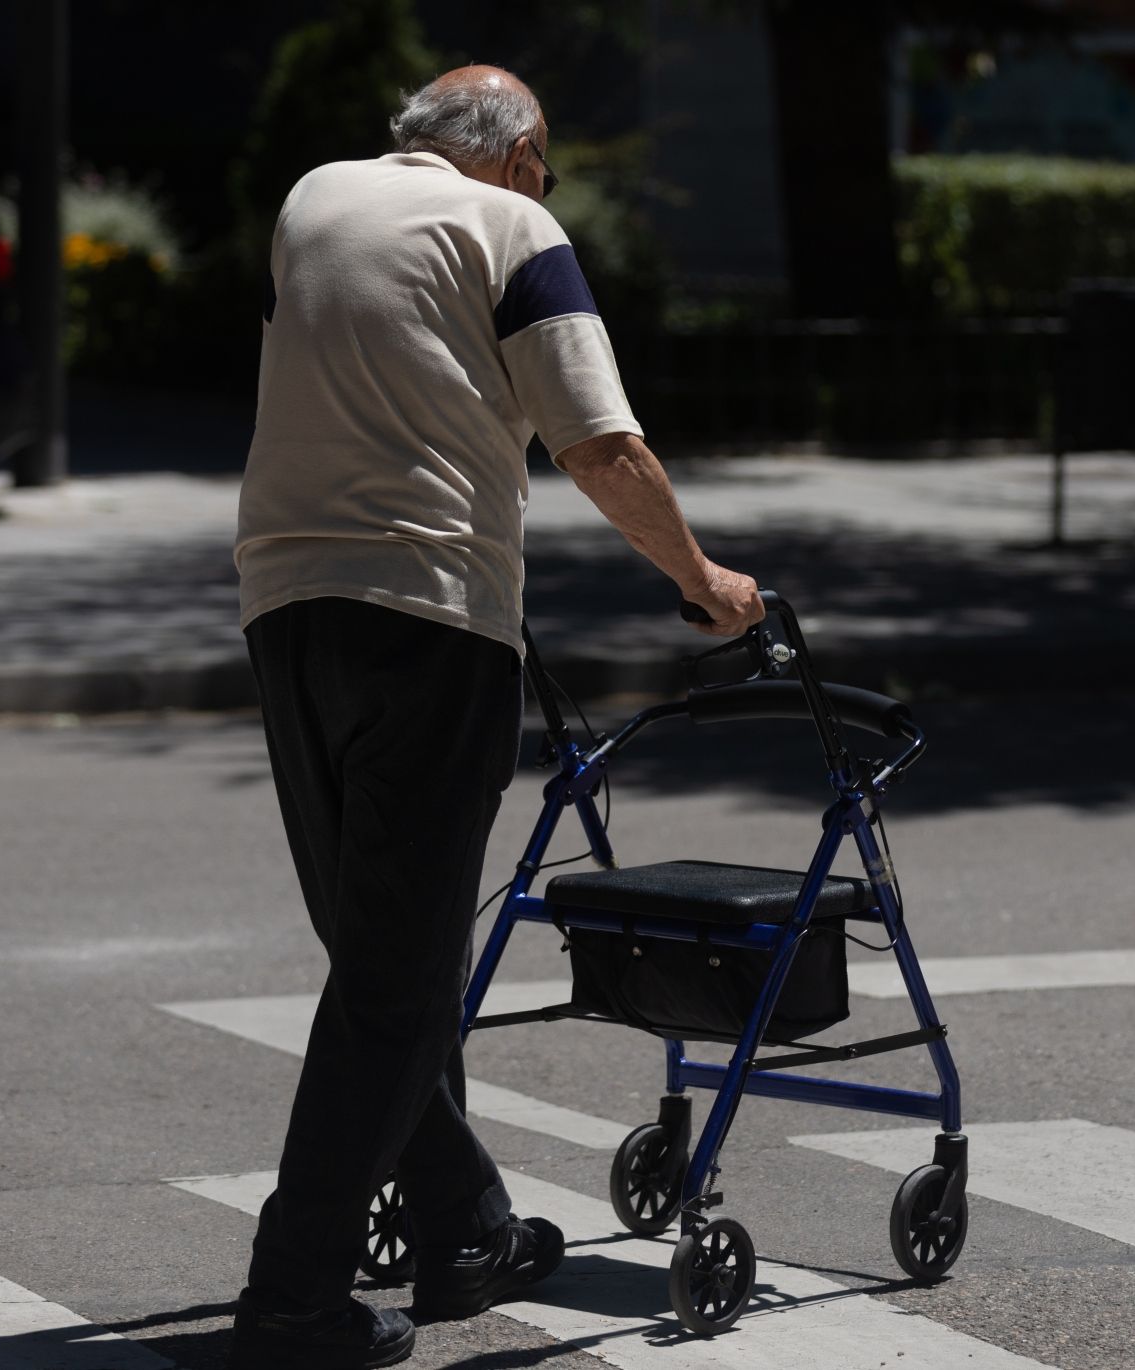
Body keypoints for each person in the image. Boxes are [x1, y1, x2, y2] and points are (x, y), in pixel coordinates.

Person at [227, 64, 764, 1370]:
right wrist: (707, 584)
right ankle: (292, 1297)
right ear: (520, 153)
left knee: (379, 956)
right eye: (551, 169)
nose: (549, 188)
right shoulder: (514, 228)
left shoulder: (313, 202)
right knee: (400, 982)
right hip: (430, 622)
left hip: (286, 610)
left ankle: (461, 1226)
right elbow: (602, 446)